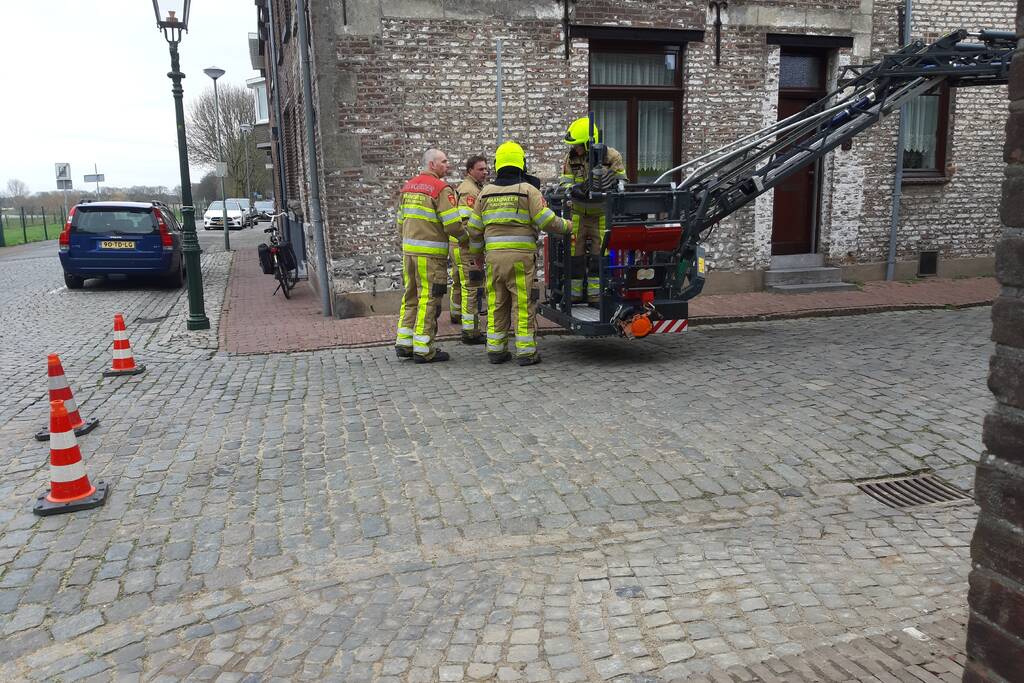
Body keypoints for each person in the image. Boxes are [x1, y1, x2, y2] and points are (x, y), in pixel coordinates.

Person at [467, 141, 570, 366]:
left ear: (498, 164)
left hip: (493, 260)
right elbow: (547, 221)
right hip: (521, 259)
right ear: (521, 163)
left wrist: (476, 257)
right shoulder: (527, 191)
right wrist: (570, 227)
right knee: (522, 303)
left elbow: (474, 231)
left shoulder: (484, 193)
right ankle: (526, 352)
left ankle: (496, 350)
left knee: (497, 302)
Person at [394, 149, 468, 363]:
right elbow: (452, 223)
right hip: (431, 255)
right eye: (444, 161)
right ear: (432, 164)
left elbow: (400, 222)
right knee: (429, 298)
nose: (448, 164)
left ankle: (404, 342)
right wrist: (465, 239)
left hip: (409, 253)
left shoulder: (408, 187)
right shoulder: (441, 188)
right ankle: (424, 348)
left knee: (410, 296)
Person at [559, 117, 627, 302]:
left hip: (601, 212)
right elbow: (565, 184)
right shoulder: (570, 158)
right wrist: (573, 190)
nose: (575, 149)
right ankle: (574, 295)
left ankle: (595, 295)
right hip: (578, 212)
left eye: (579, 145)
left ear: (590, 143)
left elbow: (622, 182)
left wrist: (610, 182)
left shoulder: (611, 157)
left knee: (600, 254)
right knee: (575, 254)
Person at [450, 155, 489, 344]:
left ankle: (456, 314)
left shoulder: (468, 188)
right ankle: (471, 332)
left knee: (459, 282)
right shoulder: (470, 192)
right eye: (481, 169)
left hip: (458, 245)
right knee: (471, 286)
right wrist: (476, 250)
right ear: (470, 171)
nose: (485, 172)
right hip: (467, 247)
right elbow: (468, 225)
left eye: (486, 169)